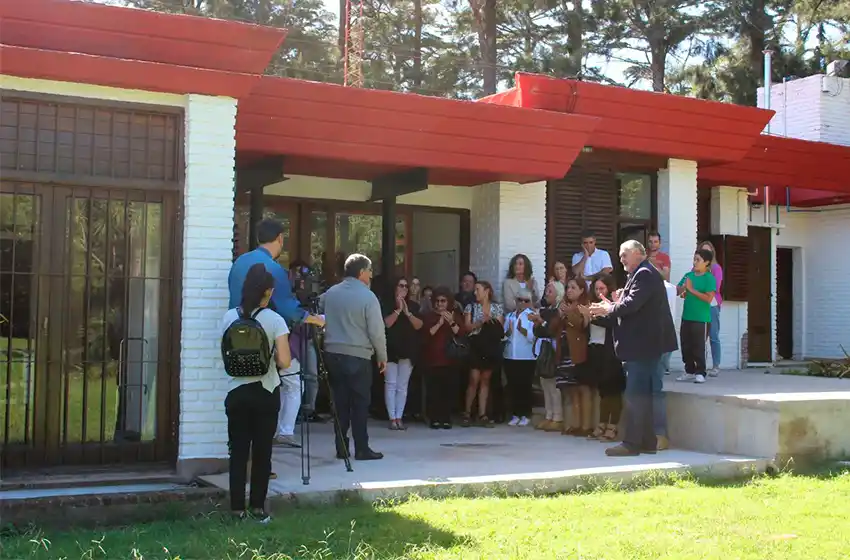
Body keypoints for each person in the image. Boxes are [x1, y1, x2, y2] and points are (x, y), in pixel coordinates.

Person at [589, 240, 678, 457]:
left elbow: (631, 305)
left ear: (639, 253)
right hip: (645, 345)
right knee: (642, 394)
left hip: (644, 345)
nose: (621, 259)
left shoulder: (644, 274)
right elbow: (632, 305)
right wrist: (614, 304)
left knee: (635, 394)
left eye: (624, 254)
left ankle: (631, 444)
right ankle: (647, 442)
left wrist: (609, 308)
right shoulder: (639, 274)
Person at [221, 264, 292, 523]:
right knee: (263, 453)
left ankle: (236, 510)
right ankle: (258, 509)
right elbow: (285, 361)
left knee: (238, 452)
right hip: (266, 391)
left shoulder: (229, 317)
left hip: (236, 391)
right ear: (269, 292)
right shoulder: (275, 320)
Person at [319, 254, 386, 461]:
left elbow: (319, 318)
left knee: (340, 402)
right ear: (362, 272)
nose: (371, 275)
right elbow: (376, 331)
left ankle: (341, 447)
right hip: (358, 355)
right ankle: (362, 448)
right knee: (360, 403)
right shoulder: (368, 297)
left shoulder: (329, 294)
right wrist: (382, 355)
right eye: (370, 271)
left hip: (332, 354)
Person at [228, 219, 324, 329]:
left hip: (234, 330)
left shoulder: (239, 262)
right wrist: (316, 320)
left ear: (258, 239)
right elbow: (288, 309)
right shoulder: (274, 269)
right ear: (280, 238)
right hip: (260, 333)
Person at [382, 277, 424, 430]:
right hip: (391, 350)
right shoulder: (386, 304)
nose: (404, 289)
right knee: (391, 384)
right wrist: (398, 310)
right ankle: (392, 418)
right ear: (395, 287)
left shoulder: (413, 306)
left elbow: (419, 325)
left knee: (402, 386)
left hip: (408, 350)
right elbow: (386, 323)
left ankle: (399, 417)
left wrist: (407, 312)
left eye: (406, 286)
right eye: (401, 286)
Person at [588, 274, 626, 442]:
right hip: (596, 349)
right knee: (603, 391)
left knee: (613, 391)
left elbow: (613, 323)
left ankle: (613, 426)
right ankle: (602, 423)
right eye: (596, 289)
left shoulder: (613, 305)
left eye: (602, 288)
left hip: (611, 352)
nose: (599, 292)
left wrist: (594, 317)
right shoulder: (593, 304)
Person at [462, 280, 504, 427]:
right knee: (474, 379)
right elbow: (467, 327)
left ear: (487, 291)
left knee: (485, 379)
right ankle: (467, 412)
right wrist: (479, 323)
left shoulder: (497, 308)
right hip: (476, 346)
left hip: (490, 346)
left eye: (478, 289)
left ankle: (482, 414)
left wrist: (490, 320)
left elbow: (500, 328)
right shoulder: (471, 307)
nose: (475, 293)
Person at [421, 287, 464, 429]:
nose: (440, 304)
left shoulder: (454, 315)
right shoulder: (429, 316)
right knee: (434, 391)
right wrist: (439, 323)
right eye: (437, 301)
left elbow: (460, 333)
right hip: (432, 360)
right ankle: (434, 418)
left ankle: (446, 418)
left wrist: (451, 322)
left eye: (443, 301)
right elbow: (427, 334)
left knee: (448, 391)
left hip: (450, 359)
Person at [676, 248, 717, 384]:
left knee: (698, 346)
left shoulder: (709, 278)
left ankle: (700, 372)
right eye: (694, 259)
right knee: (685, 345)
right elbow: (678, 291)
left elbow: (708, 298)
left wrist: (691, 290)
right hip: (686, 316)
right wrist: (683, 289)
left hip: (701, 318)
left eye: (698, 260)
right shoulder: (689, 275)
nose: (695, 262)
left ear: (706, 262)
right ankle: (689, 371)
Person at [528, 281, 565, 432]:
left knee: (554, 385)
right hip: (544, 349)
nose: (546, 294)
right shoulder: (546, 310)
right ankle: (549, 415)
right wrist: (538, 323)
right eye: (546, 291)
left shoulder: (560, 310)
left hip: (554, 349)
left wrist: (541, 322)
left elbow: (551, 330)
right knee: (545, 384)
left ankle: (558, 417)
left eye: (550, 291)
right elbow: (538, 332)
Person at [559, 278, 592, 436]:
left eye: (573, 287)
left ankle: (586, 425)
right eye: (568, 287)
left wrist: (569, 313)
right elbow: (554, 327)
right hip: (565, 352)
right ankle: (575, 424)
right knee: (571, 390)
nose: (569, 290)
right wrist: (560, 315)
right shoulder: (564, 306)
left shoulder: (584, 306)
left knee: (582, 388)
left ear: (581, 290)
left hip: (579, 352)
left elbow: (581, 325)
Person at [503, 288, 537, 427]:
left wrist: (523, 330)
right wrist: (509, 331)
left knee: (525, 386)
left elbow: (533, 337)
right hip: (510, 356)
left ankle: (526, 414)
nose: (522, 303)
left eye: (526, 301)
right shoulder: (509, 316)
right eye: (519, 300)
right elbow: (504, 336)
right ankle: (515, 414)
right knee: (513, 385)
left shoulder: (531, 316)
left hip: (526, 357)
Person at [699, 240, 724, 377]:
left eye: (708, 251)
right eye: (703, 251)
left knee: (713, 336)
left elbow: (715, 287)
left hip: (712, 305)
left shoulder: (716, 268)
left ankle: (715, 366)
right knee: (700, 337)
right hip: (699, 305)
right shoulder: (695, 268)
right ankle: (700, 366)